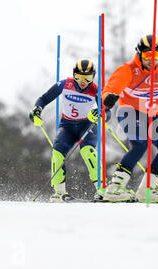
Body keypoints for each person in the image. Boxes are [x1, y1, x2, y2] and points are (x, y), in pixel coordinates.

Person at [91, 35, 158, 203]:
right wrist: (107, 98)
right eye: (147, 56)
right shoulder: (128, 70)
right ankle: (114, 189)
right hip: (129, 111)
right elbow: (110, 88)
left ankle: (146, 190)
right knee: (140, 143)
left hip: (152, 114)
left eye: (156, 56)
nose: (151, 60)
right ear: (139, 54)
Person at [29, 59, 110, 203]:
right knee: (57, 152)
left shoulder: (96, 90)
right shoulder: (65, 84)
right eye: (79, 77)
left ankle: (102, 189)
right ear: (74, 75)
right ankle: (59, 192)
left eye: (88, 78)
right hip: (67, 126)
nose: (83, 81)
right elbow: (44, 98)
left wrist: (98, 112)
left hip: (86, 125)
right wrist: (37, 110)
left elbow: (107, 113)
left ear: (93, 77)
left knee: (87, 152)